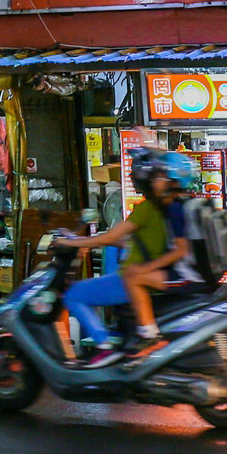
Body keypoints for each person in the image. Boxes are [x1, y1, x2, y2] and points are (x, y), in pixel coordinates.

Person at [54, 149, 201, 364]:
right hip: (153, 275)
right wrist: (90, 240)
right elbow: (131, 240)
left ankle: (104, 345)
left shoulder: (149, 208)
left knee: (74, 294)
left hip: (133, 278)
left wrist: (70, 242)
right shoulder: (167, 208)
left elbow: (112, 237)